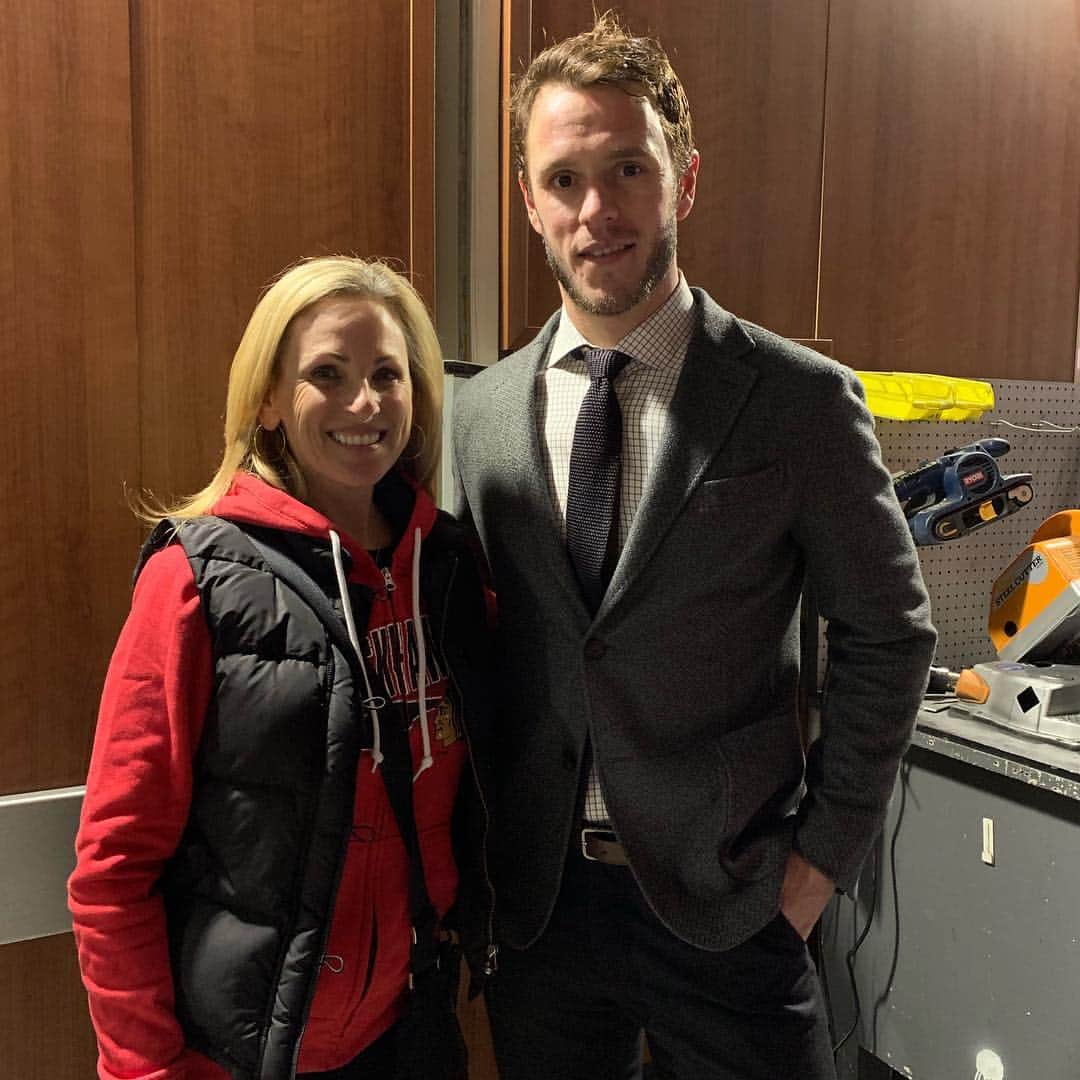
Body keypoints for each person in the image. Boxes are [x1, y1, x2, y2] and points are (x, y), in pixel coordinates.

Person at [453, 13, 936, 1080]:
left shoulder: (798, 401)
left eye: (628, 167)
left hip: (734, 904)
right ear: (529, 200)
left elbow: (890, 633)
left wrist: (818, 867)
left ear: (685, 179)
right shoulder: (476, 416)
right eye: (565, 179)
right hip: (540, 914)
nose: (597, 210)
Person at [69, 256, 495, 1080]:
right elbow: (114, 868)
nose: (364, 404)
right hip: (241, 1055)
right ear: (267, 399)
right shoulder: (194, 580)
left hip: (408, 1036)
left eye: (386, 374)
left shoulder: (446, 571)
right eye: (325, 375)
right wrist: (147, 1071)